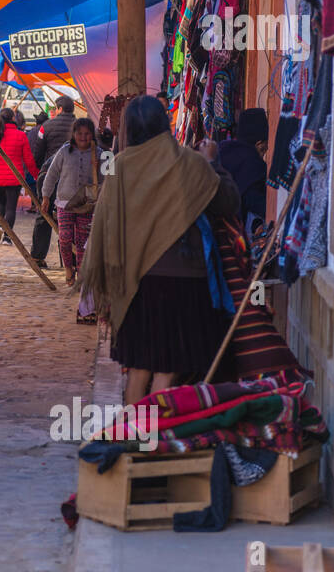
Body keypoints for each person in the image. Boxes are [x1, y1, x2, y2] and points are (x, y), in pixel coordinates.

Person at [79, 95, 241, 403]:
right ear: (164, 124)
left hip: (135, 283)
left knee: (139, 367)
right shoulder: (190, 163)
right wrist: (212, 164)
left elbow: (107, 225)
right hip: (184, 280)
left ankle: (134, 437)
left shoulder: (119, 166)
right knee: (168, 369)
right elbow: (228, 203)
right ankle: (154, 440)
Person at [40, 117, 99, 302]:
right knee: (64, 237)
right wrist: (45, 196)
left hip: (87, 205)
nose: (83, 137)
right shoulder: (65, 151)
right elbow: (52, 174)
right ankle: (68, 267)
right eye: (79, 133)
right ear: (73, 134)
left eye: (87, 133)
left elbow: (111, 176)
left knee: (82, 243)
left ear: (92, 135)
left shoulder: (100, 153)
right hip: (64, 203)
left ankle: (81, 276)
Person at [30, 96, 76, 266]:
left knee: (44, 214)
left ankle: (37, 256)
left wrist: (38, 171)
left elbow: (38, 153)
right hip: (73, 178)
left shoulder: (46, 126)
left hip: (50, 174)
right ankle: (72, 257)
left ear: (59, 109)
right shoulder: (81, 125)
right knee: (73, 216)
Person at [0, 107, 38, 243]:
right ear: (13, 119)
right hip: (14, 177)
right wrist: (36, 174)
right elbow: (28, 159)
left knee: (0, 204)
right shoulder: (20, 135)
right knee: (10, 207)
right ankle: (7, 237)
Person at [219, 107, 269, 239]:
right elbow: (253, 201)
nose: (263, 155)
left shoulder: (222, 150)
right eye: (264, 149)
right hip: (230, 236)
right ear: (259, 144)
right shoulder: (253, 164)